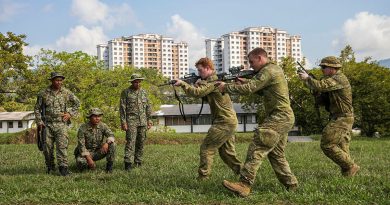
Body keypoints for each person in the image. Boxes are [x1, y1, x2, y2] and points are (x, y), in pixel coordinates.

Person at [217, 48, 298, 197]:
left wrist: (226, 87)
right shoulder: (272, 70)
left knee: (257, 146)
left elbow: (250, 89)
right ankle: (291, 185)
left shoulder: (269, 70)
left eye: (252, 62)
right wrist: (245, 82)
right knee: (276, 154)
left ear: (260, 58)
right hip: (284, 116)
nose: (251, 65)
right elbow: (260, 89)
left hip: (279, 117)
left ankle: (244, 184)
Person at [173, 57, 242, 180]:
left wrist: (183, 84)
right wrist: (198, 85)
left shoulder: (214, 82)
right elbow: (206, 96)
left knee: (206, 148)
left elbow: (197, 93)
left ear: (208, 68)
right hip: (228, 121)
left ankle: (203, 178)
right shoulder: (211, 83)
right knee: (227, 154)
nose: (199, 73)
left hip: (224, 122)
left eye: (200, 70)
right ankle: (244, 175)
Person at [298, 56, 359, 177]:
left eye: (324, 67)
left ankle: (350, 166)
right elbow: (321, 100)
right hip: (340, 116)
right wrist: (315, 91)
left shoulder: (338, 78)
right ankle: (348, 174)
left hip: (343, 117)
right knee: (342, 147)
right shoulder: (330, 80)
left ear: (333, 68)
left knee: (327, 144)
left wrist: (308, 79)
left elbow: (321, 85)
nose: (322, 69)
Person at [34, 72, 80, 176]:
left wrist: (70, 114)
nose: (59, 82)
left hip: (61, 124)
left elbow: (77, 103)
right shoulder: (43, 93)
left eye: (60, 80)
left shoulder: (66, 93)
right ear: (52, 81)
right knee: (47, 148)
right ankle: (50, 167)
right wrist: (39, 122)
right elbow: (37, 108)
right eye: (56, 80)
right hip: (47, 125)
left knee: (62, 147)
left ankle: (63, 168)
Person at [120, 73, 153, 171]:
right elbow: (122, 108)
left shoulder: (144, 92)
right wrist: (123, 122)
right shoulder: (126, 92)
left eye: (139, 82)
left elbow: (148, 106)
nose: (137, 84)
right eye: (135, 82)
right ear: (132, 82)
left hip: (142, 121)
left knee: (141, 142)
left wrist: (149, 119)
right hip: (131, 121)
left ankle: (138, 161)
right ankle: (128, 163)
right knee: (130, 142)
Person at [74, 108, 116, 173]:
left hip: (98, 151)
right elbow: (81, 145)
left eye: (99, 116)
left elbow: (111, 135)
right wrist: (89, 159)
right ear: (90, 117)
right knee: (81, 163)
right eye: (95, 116)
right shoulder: (83, 128)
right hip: (86, 153)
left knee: (112, 144)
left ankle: (109, 168)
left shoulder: (103, 125)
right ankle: (88, 165)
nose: (97, 118)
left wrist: (107, 143)